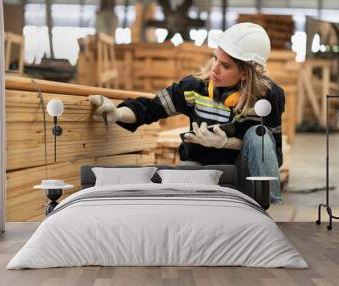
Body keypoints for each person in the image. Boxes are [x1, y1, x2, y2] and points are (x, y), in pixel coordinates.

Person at [89, 23, 285, 203]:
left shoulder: (267, 97)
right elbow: (150, 108)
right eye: (215, 58)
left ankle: (263, 205)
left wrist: (226, 143)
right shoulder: (194, 88)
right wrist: (117, 113)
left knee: (258, 135)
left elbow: (270, 151)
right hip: (198, 167)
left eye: (225, 66)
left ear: (246, 73)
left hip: (239, 172)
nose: (214, 69)